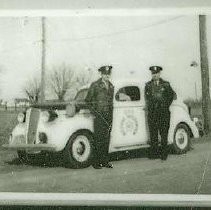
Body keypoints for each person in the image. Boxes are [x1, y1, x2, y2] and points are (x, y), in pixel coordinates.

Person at [145, 66, 176, 160]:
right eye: (153, 73)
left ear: (159, 73)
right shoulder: (148, 85)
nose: (155, 75)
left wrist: (165, 105)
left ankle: (164, 154)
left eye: (156, 73)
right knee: (153, 134)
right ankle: (154, 154)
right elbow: (147, 98)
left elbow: (172, 96)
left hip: (163, 113)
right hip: (153, 113)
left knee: (163, 134)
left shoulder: (166, 84)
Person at [85, 65, 114, 169]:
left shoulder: (111, 86)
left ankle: (105, 161)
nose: (107, 76)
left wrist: (111, 117)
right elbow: (88, 101)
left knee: (106, 139)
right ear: (101, 74)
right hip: (99, 116)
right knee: (98, 139)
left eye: (108, 74)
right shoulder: (95, 85)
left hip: (108, 117)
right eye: (105, 74)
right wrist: (95, 112)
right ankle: (96, 162)